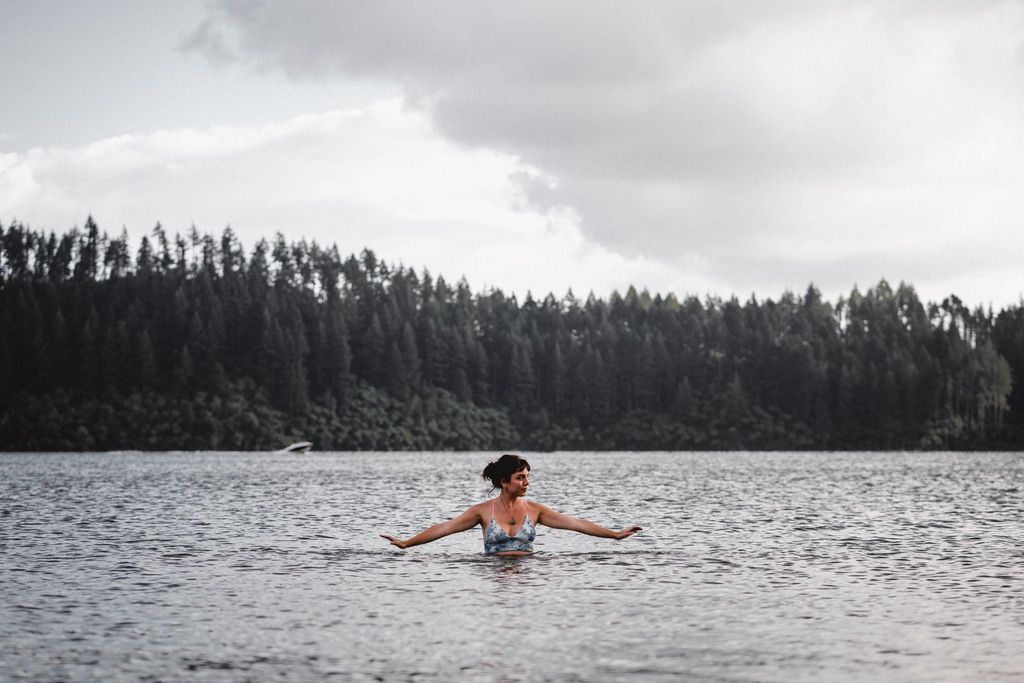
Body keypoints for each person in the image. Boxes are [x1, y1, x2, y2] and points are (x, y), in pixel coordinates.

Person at [380, 453, 643, 556]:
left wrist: (615, 535)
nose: (527, 482)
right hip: (493, 573)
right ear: (505, 482)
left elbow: (576, 523)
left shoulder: (535, 510)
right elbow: (444, 528)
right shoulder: (482, 512)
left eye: (528, 476)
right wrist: (406, 542)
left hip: (530, 573)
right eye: (521, 477)